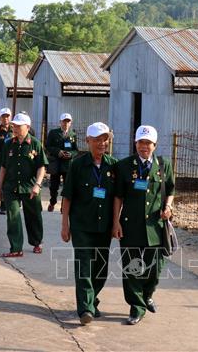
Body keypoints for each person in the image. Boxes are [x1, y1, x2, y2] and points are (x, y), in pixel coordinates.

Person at [112, 125, 175, 325]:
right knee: (132, 268)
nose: (144, 147)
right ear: (135, 143)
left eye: (148, 143)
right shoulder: (124, 166)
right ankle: (136, 307)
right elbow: (118, 197)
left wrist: (168, 206)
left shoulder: (164, 165)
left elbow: (171, 190)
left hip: (155, 227)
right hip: (130, 226)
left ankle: (147, 294)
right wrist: (116, 222)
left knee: (155, 268)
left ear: (155, 145)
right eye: (140, 142)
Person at [61, 122, 117, 325]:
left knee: (100, 269)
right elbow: (67, 197)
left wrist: (116, 224)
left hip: (104, 226)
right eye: (97, 139)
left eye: (105, 139)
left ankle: (92, 299)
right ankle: (85, 308)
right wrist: (65, 225)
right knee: (84, 265)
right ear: (88, 141)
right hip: (81, 225)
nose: (102, 143)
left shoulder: (113, 165)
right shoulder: (77, 165)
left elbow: (118, 198)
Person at [0, 113, 48, 258]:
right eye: (14, 125)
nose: (15, 128)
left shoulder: (35, 144)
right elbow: (3, 168)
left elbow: (41, 167)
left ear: (28, 127)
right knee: (12, 216)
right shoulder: (8, 144)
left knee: (34, 215)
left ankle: (37, 242)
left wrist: (37, 185)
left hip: (29, 187)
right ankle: (16, 248)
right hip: (11, 187)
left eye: (19, 126)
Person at [46, 113, 78, 212]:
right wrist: (58, 152)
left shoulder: (73, 134)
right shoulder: (53, 133)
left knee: (67, 186)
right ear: (60, 122)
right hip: (56, 163)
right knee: (54, 186)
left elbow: (75, 149)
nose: (66, 124)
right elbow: (48, 146)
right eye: (64, 121)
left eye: (68, 122)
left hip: (67, 165)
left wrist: (71, 154)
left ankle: (63, 207)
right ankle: (53, 201)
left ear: (71, 123)